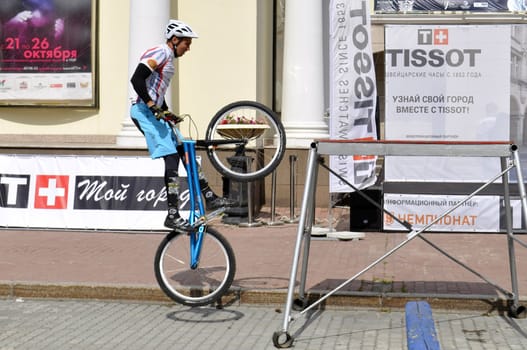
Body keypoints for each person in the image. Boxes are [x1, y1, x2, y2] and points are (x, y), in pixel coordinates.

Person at [130, 19, 233, 231]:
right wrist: (151, 105)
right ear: (174, 40)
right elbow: (137, 79)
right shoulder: (161, 52)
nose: (188, 49)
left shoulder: (167, 57)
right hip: (142, 112)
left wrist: (166, 112)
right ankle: (172, 214)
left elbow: (156, 91)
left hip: (153, 113)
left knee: (185, 150)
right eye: (187, 44)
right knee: (172, 157)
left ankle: (210, 197)